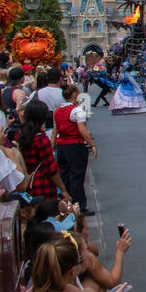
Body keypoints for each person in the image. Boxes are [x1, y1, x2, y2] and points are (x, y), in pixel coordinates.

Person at [52, 84, 97, 215]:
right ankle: (79, 206)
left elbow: (55, 131)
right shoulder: (77, 111)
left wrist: (51, 145)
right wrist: (92, 144)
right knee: (77, 175)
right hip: (74, 144)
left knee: (64, 174)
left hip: (61, 145)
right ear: (73, 95)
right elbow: (82, 130)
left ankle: (67, 204)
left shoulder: (58, 111)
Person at [17, 100, 69, 202]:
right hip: (43, 185)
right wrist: (63, 190)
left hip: (26, 184)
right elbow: (51, 168)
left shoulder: (20, 134)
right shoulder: (41, 139)